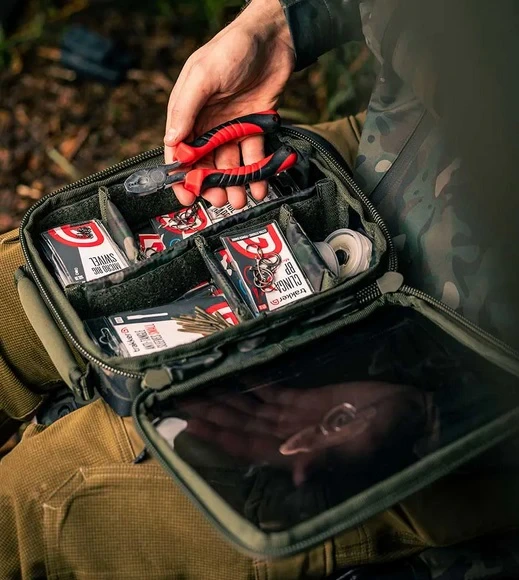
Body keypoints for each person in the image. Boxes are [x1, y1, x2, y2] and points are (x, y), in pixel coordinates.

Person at [1, 0, 518, 578]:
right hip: (391, 153)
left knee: (38, 500)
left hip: (469, 390)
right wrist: (282, 23)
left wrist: (433, 413)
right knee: (9, 294)